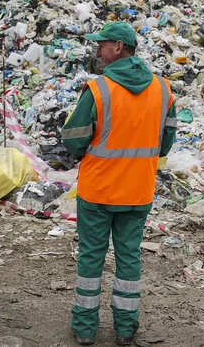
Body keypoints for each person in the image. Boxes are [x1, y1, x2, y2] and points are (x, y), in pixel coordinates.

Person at [62, 21, 177, 345]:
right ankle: (126, 329)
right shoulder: (163, 89)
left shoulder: (98, 89)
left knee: (91, 258)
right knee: (129, 258)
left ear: (118, 48)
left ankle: (85, 329)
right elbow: (165, 144)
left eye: (102, 44)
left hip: (98, 192)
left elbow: (72, 140)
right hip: (138, 193)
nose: (97, 50)